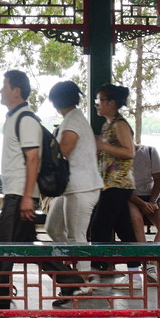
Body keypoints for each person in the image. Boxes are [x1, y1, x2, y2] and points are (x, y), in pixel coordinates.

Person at [0, 71, 86, 310]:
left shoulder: (26, 120)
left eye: (4, 86)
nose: (1, 91)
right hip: (16, 194)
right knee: (27, 246)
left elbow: (33, 159)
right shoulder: (14, 118)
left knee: (3, 248)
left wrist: (26, 197)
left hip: (20, 196)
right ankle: (70, 281)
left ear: (16, 91)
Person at [43, 80, 100, 306]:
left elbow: (64, 150)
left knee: (77, 236)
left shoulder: (74, 120)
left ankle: (82, 283)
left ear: (56, 101)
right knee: (53, 228)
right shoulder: (71, 119)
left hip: (82, 187)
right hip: (71, 189)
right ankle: (73, 274)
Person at [88, 84, 139, 274]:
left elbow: (129, 152)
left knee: (99, 226)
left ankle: (95, 270)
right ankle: (135, 274)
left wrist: (101, 145)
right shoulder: (107, 124)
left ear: (112, 103)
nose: (97, 104)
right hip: (109, 183)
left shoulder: (120, 124)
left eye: (100, 100)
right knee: (124, 229)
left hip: (119, 184)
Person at [129, 143, 160, 244]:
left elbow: (158, 179)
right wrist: (141, 204)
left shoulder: (150, 151)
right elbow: (123, 188)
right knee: (136, 219)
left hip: (151, 194)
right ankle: (143, 255)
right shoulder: (120, 155)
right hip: (131, 197)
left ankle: (154, 258)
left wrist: (152, 201)